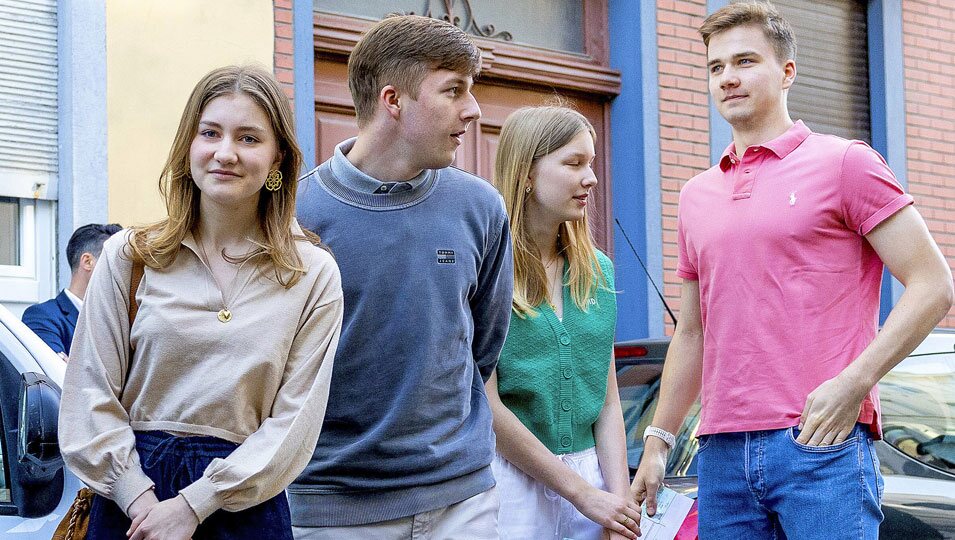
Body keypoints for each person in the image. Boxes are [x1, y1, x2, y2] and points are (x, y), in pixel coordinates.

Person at [630, 2, 954, 539]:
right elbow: (693, 331)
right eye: (716, 67)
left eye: (744, 61)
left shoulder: (846, 163)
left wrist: (855, 382)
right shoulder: (695, 195)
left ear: (787, 72)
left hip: (820, 445)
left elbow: (933, 284)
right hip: (721, 455)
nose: (728, 78)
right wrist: (659, 440)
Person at [58, 65, 344, 540]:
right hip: (131, 504)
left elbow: (294, 422)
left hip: (243, 506)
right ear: (188, 146)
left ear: (277, 162)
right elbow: (89, 392)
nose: (225, 153)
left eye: (249, 138)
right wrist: (140, 498)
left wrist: (194, 505)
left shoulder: (311, 273)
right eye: (210, 133)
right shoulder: (130, 256)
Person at [291, 14, 513, 539]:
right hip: (331, 509)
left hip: (463, 501)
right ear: (393, 100)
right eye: (453, 90)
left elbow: (482, 347)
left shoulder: (479, 207)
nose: (473, 109)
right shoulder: (295, 214)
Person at [487, 105, 641, 540]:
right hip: (511, 483)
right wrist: (580, 494)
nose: (590, 178)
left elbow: (607, 402)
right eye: (574, 164)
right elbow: (486, 405)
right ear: (526, 173)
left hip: (594, 481)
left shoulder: (599, 272)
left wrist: (621, 501)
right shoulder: (487, 269)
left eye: (590, 163)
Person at [22, 222, 122, 359]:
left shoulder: (121, 320)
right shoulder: (43, 316)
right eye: (118, 262)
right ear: (87, 262)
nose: (125, 273)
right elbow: (55, 373)